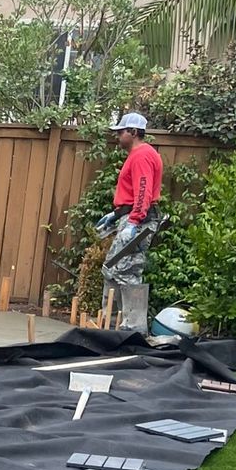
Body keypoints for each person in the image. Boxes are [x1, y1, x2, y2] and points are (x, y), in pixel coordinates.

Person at [103, 111, 165, 331]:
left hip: (139, 220)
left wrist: (133, 222)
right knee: (112, 269)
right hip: (131, 216)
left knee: (125, 271)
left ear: (134, 132)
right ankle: (110, 328)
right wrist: (117, 215)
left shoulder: (141, 155)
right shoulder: (139, 155)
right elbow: (134, 193)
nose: (118, 136)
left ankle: (133, 331)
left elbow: (143, 191)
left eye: (121, 131)